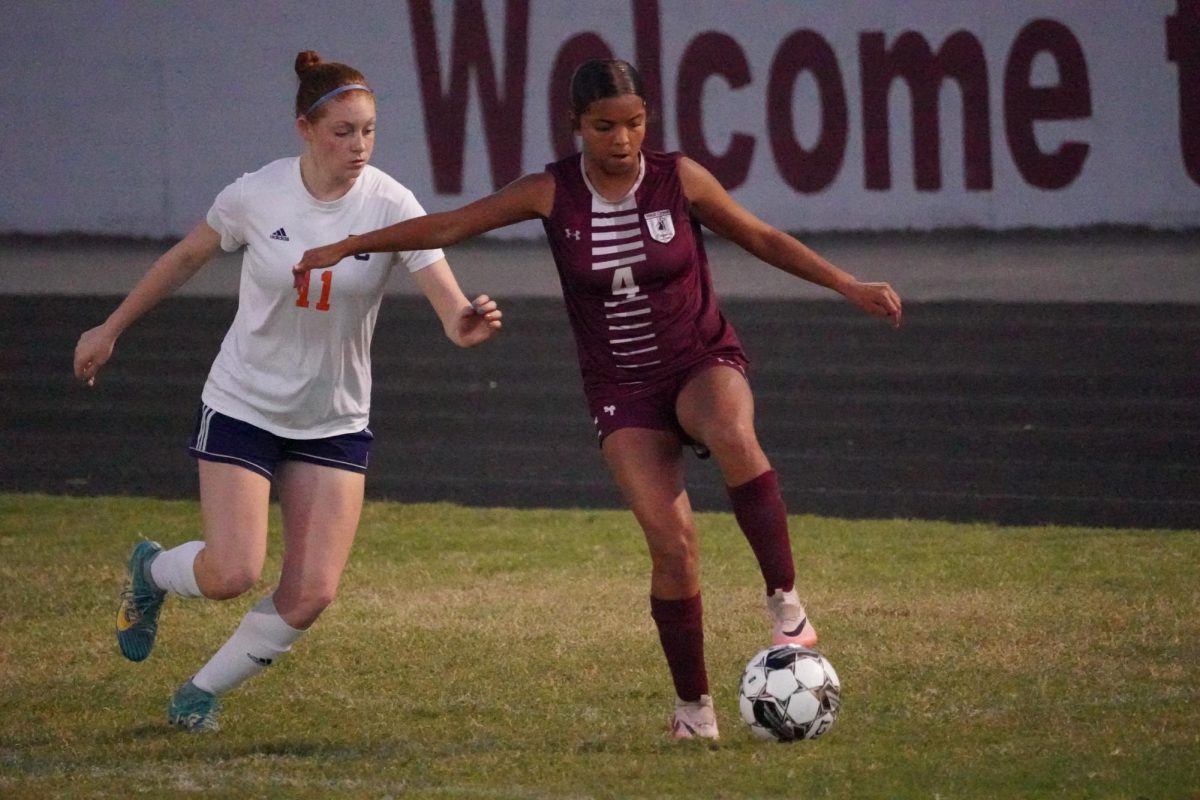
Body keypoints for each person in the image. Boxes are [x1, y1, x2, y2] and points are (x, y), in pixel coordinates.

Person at [292, 58, 901, 741]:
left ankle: (784, 601)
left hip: (699, 359)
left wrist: (848, 284)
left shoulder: (678, 178)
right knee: (673, 546)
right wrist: (348, 244)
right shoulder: (551, 192)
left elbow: (759, 236)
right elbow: (449, 227)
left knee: (731, 430)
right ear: (577, 127)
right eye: (605, 126)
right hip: (622, 390)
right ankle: (694, 711)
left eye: (635, 123)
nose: (622, 139)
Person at [73, 50, 502, 733]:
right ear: (304, 128)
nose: (358, 146)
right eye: (342, 131)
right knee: (232, 572)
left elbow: (450, 308)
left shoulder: (392, 203)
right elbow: (186, 256)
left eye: (368, 130)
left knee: (310, 594)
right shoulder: (257, 194)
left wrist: (467, 323)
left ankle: (197, 694)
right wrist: (112, 325)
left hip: (332, 417)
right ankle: (153, 572)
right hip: (245, 402)